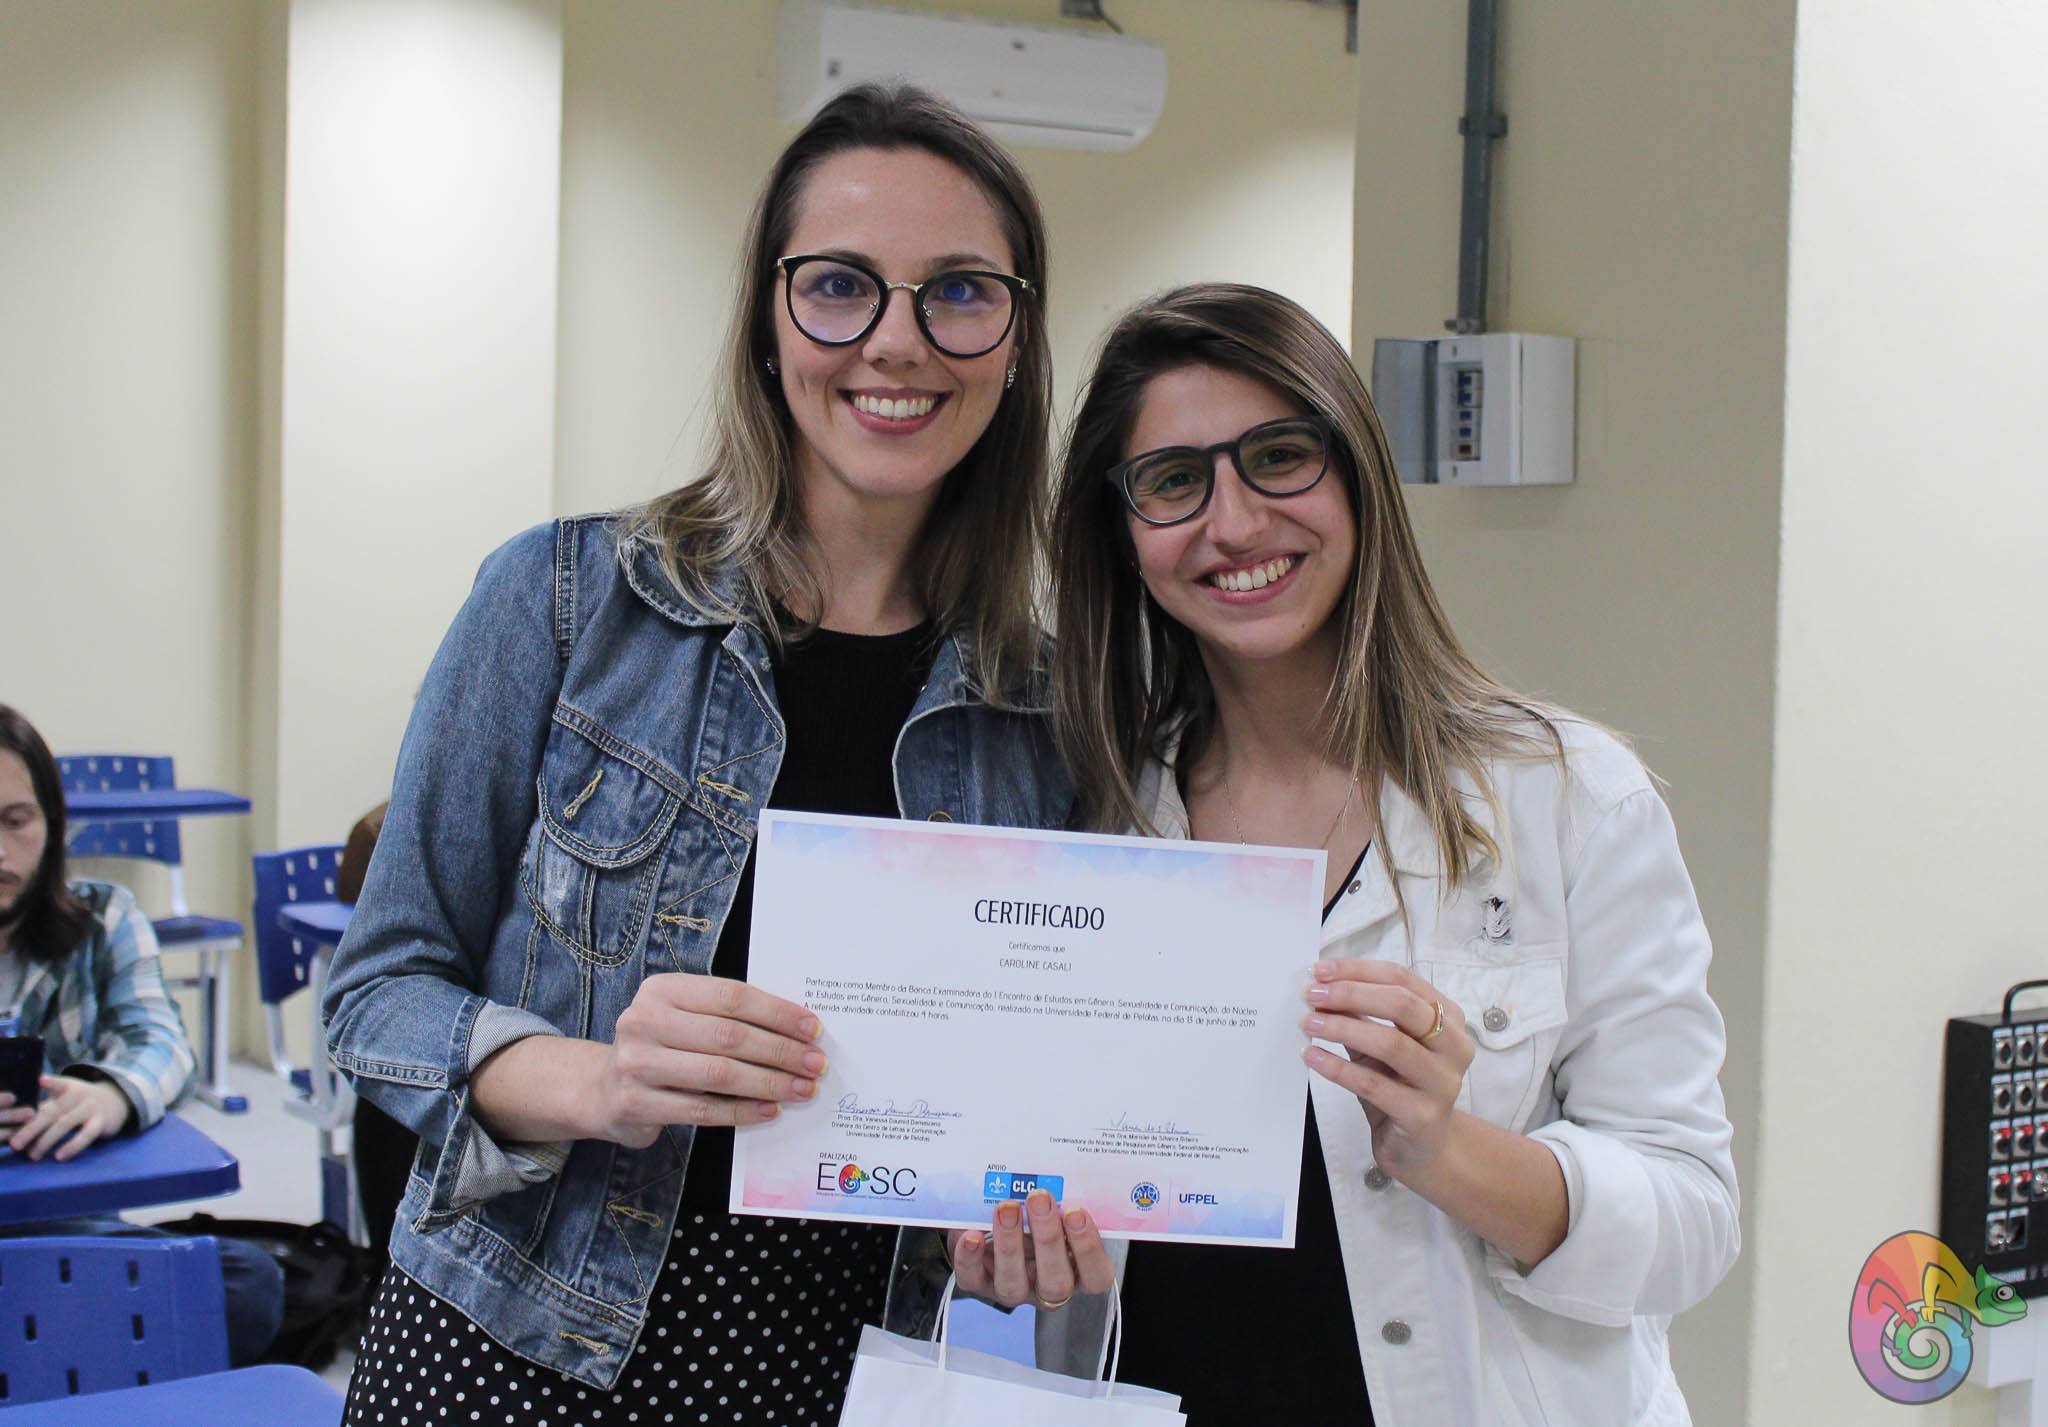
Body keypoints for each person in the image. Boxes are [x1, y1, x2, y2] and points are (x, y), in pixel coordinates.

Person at [322, 84, 1085, 1424]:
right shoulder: (563, 599)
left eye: (959, 292)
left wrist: (1020, 1220)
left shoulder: (1048, 709)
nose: (896, 340)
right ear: (766, 323)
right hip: (506, 1352)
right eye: (838, 285)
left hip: (824, 1373)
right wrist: (596, 1078)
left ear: (1015, 339)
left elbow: (1022, 1099)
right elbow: (377, 993)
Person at [1014, 284, 1740, 1425]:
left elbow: (1692, 1219)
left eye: (1279, 456)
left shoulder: (1563, 798)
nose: (1234, 523)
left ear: (1356, 476)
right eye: (1172, 480)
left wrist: (1448, 1149)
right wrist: (1012, 1261)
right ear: (1122, 531)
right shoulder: (1084, 824)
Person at [0, 703, 286, 1366]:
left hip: (61, 1225)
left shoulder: (103, 917)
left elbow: (163, 1044)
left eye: (15, 821)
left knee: (247, 1285)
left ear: (51, 824)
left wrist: (111, 1095)